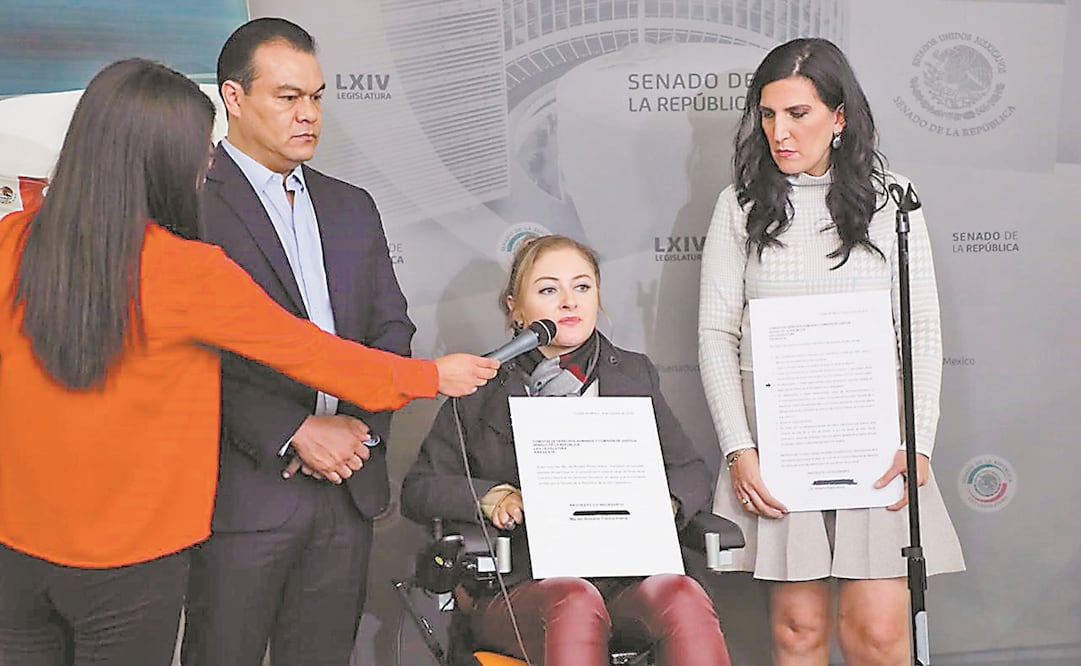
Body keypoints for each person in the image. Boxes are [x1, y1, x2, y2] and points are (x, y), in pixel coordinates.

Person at [0, 58, 497, 666]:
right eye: (199, 149)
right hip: (129, 564)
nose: (209, 163)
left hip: (16, 553)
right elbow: (316, 356)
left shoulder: (13, 239)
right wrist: (433, 376)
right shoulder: (184, 270)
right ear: (159, 158)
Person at [179, 17, 439, 666]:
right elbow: (191, 352)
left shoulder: (351, 205)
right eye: (287, 97)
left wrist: (358, 428)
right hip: (242, 491)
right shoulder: (188, 204)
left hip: (345, 491)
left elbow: (391, 332)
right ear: (233, 99)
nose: (309, 115)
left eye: (317, 97)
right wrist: (293, 430)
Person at [698, 38, 965, 665]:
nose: (779, 132)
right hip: (778, 448)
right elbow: (715, 334)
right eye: (767, 115)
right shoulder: (739, 205)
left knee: (876, 634)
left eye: (798, 114)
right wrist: (739, 449)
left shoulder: (893, 200)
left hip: (873, 446)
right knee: (798, 633)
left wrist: (918, 441)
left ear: (839, 117)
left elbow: (921, 326)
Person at [402, 235, 732, 666]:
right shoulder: (479, 384)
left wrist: (661, 504)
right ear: (515, 309)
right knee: (574, 600)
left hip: (625, 578)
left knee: (681, 593)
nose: (568, 303)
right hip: (521, 583)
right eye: (547, 290)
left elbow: (689, 470)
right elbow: (420, 489)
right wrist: (490, 496)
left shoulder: (633, 374)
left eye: (581, 287)